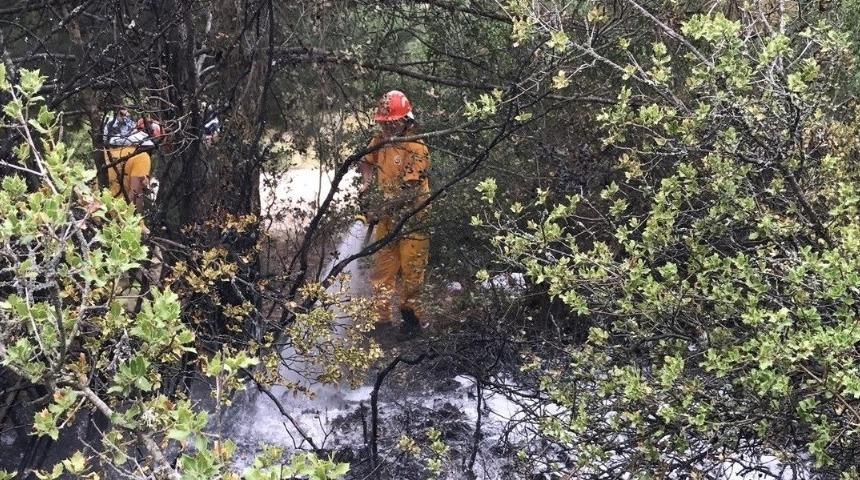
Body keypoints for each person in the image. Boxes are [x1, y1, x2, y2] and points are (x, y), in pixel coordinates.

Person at [359, 90, 431, 337]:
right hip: (387, 217)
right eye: (384, 123)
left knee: (412, 271)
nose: (388, 128)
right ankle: (380, 321)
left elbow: (409, 189)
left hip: (413, 218)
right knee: (383, 268)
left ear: (405, 120)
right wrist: (367, 185)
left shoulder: (417, 147)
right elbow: (366, 161)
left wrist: (380, 208)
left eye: (392, 123)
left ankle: (412, 319)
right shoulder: (379, 141)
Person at [103, 105, 152, 217]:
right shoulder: (141, 157)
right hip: (122, 220)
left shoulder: (104, 154)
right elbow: (135, 194)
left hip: (100, 217)